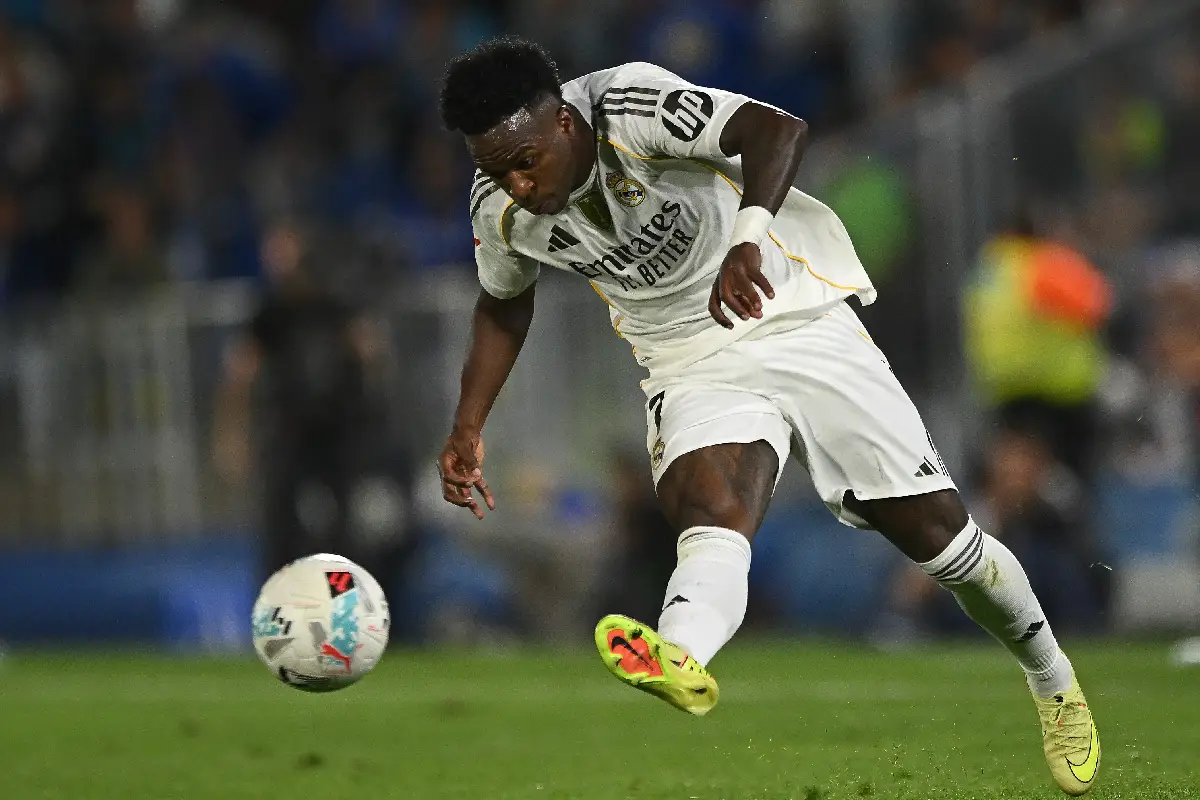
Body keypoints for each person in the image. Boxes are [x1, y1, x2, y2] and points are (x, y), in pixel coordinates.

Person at [434, 36, 1099, 796]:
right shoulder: (500, 210)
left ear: (562, 121)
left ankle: (1053, 679)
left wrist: (746, 243)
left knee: (940, 538)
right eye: (497, 171)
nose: (517, 185)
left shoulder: (631, 105)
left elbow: (778, 130)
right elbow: (503, 302)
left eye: (525, 161)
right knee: (710, 507)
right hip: (687, 356)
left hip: (788, 309)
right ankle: (680, 655)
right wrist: (468, 425)